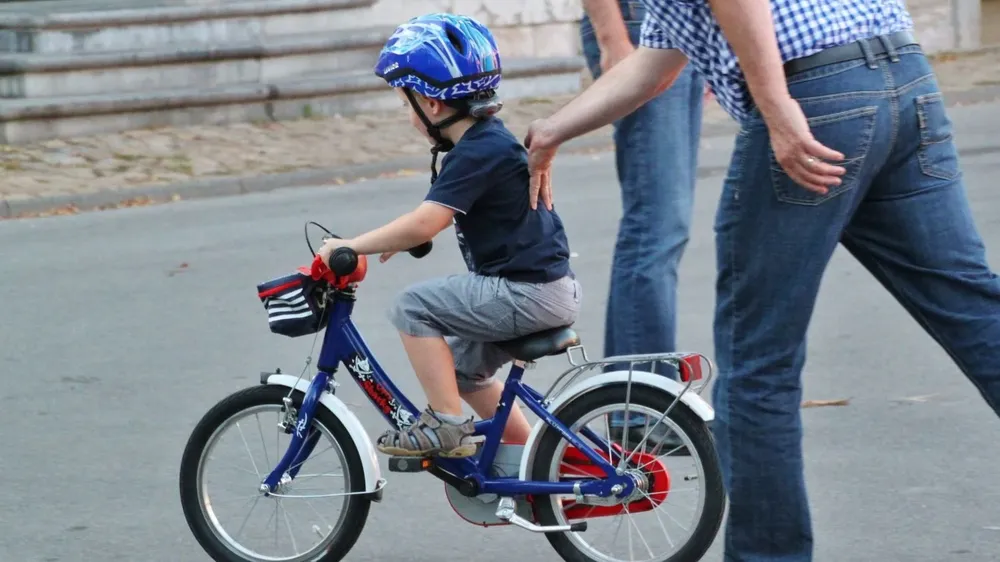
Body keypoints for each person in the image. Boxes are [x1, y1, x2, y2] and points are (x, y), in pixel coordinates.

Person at [523, 0, 1000, 559]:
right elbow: (658, 61)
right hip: (904, 77)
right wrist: (553, 129)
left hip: (814, 93)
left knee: (758, 366)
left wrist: (775, 109)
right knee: (972, 309)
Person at [318, 13, 582, 458]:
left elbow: (426, 222)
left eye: (407, 103)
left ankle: (445, 423)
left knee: (411, 306)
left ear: (431, 104)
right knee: (461, 372)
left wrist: (350, 245)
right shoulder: (483, 144)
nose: (409, 113)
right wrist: (398, 240)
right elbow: (431, 219)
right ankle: (528, 459)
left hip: (526, 293)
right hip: (543, 289)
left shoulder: (477, 152)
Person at [579, 0, 703, 449]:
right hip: (636, 27)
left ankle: (640, 406)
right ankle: (638, 412)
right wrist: (612, 37)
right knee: (656, 226)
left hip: (678, 28)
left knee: (665, 228)